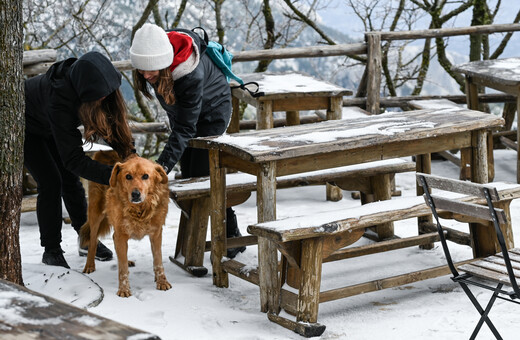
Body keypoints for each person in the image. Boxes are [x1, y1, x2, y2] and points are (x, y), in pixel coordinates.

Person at [129, 23, 245, 258]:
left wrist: (158, 170)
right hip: (186, 117)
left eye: (151, 70)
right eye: (141, 70)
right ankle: (197, 243)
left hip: (212, 114)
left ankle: (222, 239)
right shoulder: (157, 52)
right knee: (191, 177)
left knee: (200, 180)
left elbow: (185, 128)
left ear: (165, 63)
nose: (146, 75)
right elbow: (182, 122)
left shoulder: (190, 74)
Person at [24, 51, 135, 268]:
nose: (105, 98)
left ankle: (85, 238)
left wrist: (132, 159)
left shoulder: (94, 84)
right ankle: (52, 250)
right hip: (27, 127)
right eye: (100, 96)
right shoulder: (60, 100)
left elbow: (115, 130)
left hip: (51, 126)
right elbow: (73, 159)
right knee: (51, 182)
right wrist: (116, 175)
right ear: (87, 93)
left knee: (71, 180)